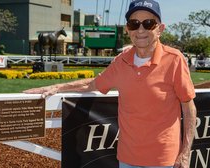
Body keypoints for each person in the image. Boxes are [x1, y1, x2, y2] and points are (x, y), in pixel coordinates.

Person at [23, 0, 197, 168]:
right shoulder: (121, 62)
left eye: (149, 23)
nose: (141, 29)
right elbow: (92, 84)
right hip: (127, 158)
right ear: (128, 29)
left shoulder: (175, 60)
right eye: (134, 24)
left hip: (164, 159)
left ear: (160, 29)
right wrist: (55, 87)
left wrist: (185, 153)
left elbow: (189, 108)